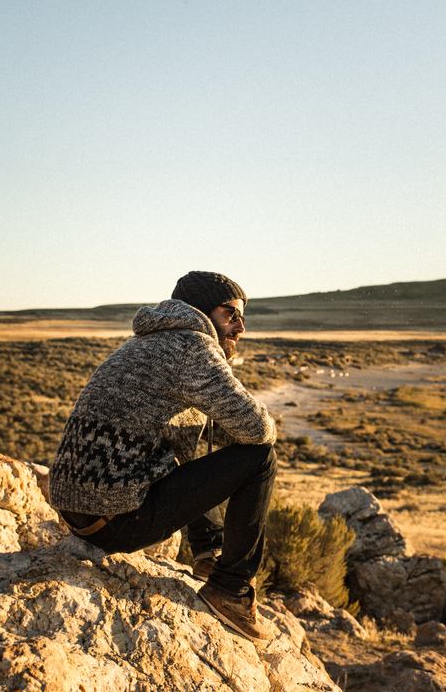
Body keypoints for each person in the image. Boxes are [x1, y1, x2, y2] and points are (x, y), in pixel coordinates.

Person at [49, 271, 277, 642]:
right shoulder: (192, 345)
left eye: (242, 317)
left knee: (188, 438)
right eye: (230, 314)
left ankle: (208, 552)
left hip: (82, 515)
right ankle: (230, 590)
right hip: (116, 522)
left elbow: (213, 431)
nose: (240, 326)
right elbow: (258, 430)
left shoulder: (146, 342)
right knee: (260, 458)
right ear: (201, 310)